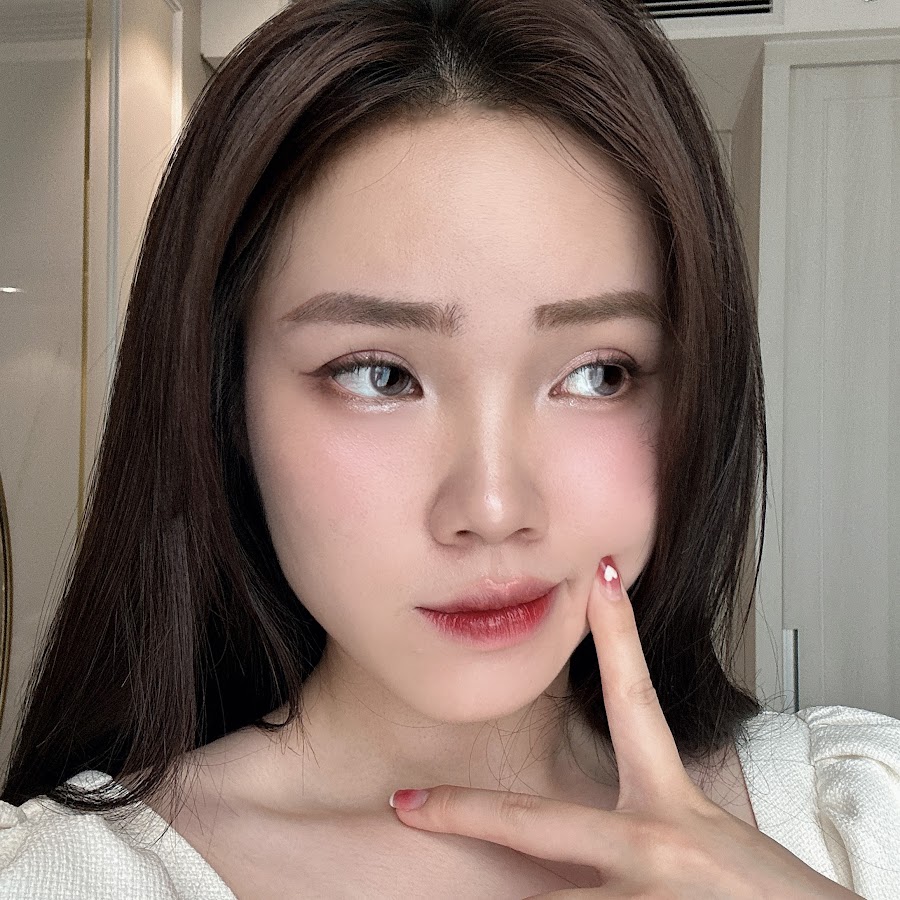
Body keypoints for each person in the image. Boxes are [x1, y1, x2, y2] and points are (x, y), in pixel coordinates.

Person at [1, 0, 898, 897]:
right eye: (380, 375)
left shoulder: (857, 817)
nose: (494, 509)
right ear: (223, 399)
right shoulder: (64, 877)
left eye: (598, 374)